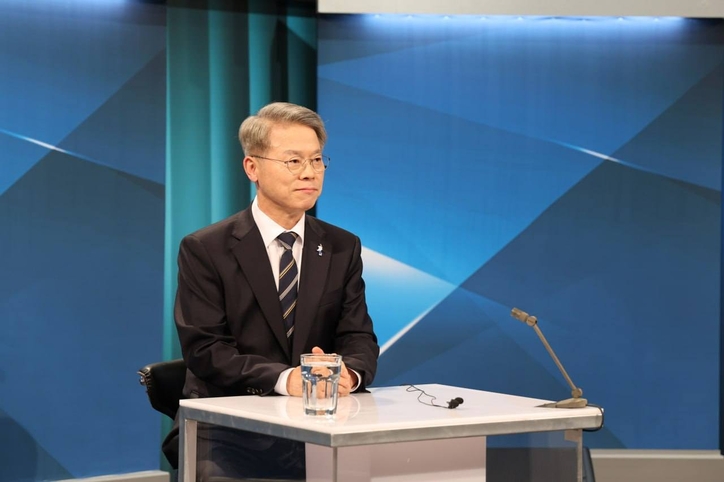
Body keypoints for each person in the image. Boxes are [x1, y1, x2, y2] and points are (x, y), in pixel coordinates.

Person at [162, 102, 379, 480]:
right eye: (293, 161)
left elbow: (358, 336)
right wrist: (286, 379)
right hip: (228, 430)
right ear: (252, 168)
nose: (309, 173)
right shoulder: (206, 249)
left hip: (318, 427)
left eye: (317, 160)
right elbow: (206, 350)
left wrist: (350, 374)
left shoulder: (342, 247)